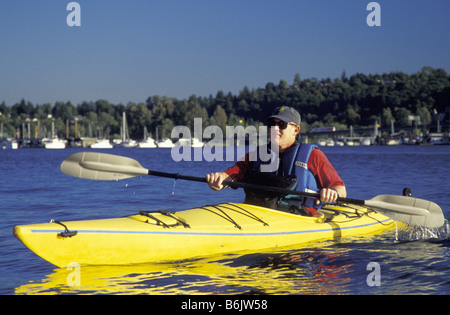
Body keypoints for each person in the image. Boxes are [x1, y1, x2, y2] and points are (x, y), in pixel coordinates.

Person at [206, 106, 346, 216]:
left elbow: (340, 189)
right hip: (257, 215)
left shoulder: (314, 155)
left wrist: (332, 193)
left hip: (298, 218)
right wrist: (218, 180)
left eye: (282, 125)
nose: (275, 129)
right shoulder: (256, 155)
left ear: (296, 130)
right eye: (272, 124)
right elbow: (231, 175)